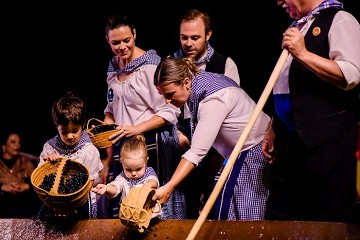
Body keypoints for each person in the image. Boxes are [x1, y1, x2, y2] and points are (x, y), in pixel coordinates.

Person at [262, 0, 360, 223]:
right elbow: (287, 85)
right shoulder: (299, 27)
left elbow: (351, 74)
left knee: (327, 218)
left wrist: (303, 53)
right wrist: (273, 126)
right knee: (280, 216)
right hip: (291, 139)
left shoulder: (340, 19)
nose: (279, 2)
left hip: (326, 139)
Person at [152, 56, 272, 220]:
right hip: (236, 155)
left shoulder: (212, 99)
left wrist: (169, 187)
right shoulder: (201, 82)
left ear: (186, 82)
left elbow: (196, 153)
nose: (166, 100)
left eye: (169, 94)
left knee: (244, 220)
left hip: (254, 153)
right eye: (162, 94)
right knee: (225, 211)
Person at [100, 14, 188, 219]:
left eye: (126, 40)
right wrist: (105, 125)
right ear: (107, 40)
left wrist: (135, 129)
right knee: (125, 204)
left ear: (135, 34)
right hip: (124, 146)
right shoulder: (113, 67)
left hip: (151, 144)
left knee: (151, 206)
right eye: (115, 42)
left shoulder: (150, 67)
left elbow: (170, 109)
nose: (121, 47)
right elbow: (113, 104)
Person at [174, 8, 242, 218]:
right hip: (182, 138)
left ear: (208, 35)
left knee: (213, 200)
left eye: (195, 38)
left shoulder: (225, 64)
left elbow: (234, 107)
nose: (188, 43)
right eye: (184, 37)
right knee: (185, 202)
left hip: (217, 140)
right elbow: (164, 103)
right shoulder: (171, 62)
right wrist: (177, 133)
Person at [37, 92, 103, 219]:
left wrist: (72, 203)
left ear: (82, 125)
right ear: (57, 127)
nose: (70, 136)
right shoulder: (50, 147)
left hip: (81, 198)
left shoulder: (89, 150)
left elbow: (89, 183)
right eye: (64, 132)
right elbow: (42, 178)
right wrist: (49, 164)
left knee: (86, 227)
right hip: (55, 198)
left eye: (75, 131)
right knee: (42, 220)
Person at [92, 134, 161, 218]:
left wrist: (147, 186)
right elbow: (116, 187)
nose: (133, 173)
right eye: (128, 169)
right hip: (130, 216)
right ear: (121, 162)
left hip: (150, 217)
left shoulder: (148, 172)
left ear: (146, 161)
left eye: (138, 169)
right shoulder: (123, 177)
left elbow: (153, 181)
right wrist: (106, 188)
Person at [0, 130, 42, 218]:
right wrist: (3, 187)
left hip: (23, 206)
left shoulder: (26, 162)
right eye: (13, 142)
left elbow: (37, 181)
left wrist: (25, 186)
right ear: (4, 145)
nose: (17, 145)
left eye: (19, 143)